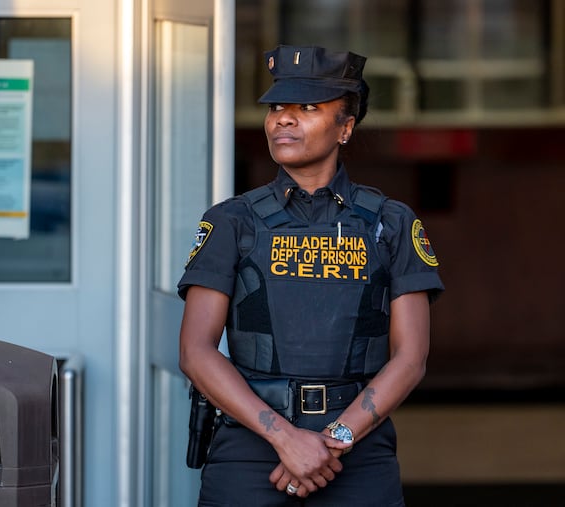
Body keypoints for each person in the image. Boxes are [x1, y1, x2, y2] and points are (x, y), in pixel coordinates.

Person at [178, 45, 444, 506]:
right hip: (250, 446)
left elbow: (411, 357)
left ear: (345, 127)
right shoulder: (231, 221)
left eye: (306, 107)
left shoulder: (392, 222)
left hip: (357, 448)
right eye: (277, 107)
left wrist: (332, 441)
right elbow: (196, 352)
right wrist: (286, 439)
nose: (283, 119)